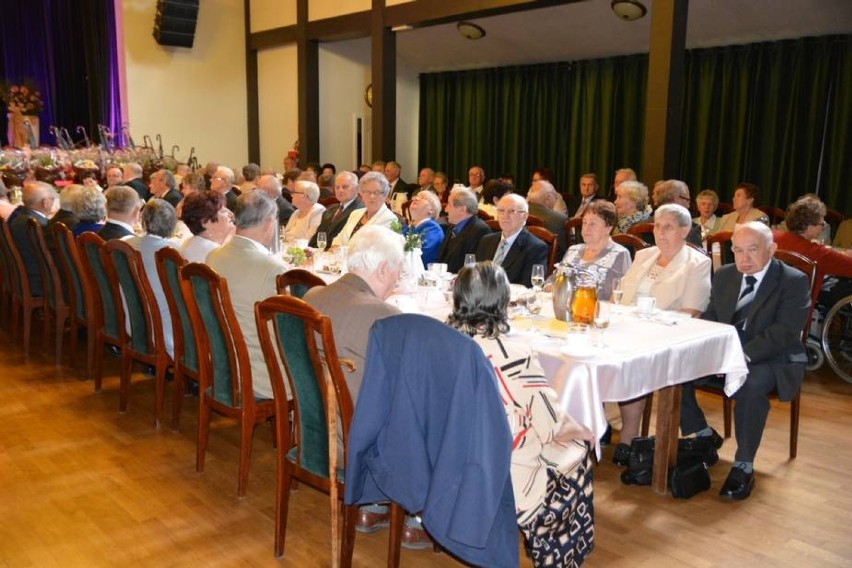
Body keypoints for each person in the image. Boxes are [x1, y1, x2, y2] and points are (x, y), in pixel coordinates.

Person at [446, 262, 594, 565]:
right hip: (501, 462)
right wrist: (584, 433)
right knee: (579, 454)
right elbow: (551, 422)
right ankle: (559, 554)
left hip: (452, 451)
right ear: (502, 301)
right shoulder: (513, 354)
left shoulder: (443, 342)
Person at [681, 222, 810, 500]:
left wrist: (740, 357)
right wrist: (693, 337)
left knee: (750, 385)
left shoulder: (793, 280)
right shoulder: (726, 275)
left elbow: (783, 332)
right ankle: (703, 435)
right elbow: (714, 316)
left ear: (772, 249)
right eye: (738, 250)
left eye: (752, 250)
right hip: (727, 352)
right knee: (676, 369)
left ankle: (743, 465)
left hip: (772, 358)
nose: (744, 259)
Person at [303, 225, 405, 539]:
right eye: (397, 272)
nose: (398, 280)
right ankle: (411, 516)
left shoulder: (311, 296)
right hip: (354, 446)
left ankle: (374, 506)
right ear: (385, 268)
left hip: (311, 432)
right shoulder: (384, 314)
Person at [614, 203, 712, 466]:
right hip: (628, 329)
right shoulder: (644, 256)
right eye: (657, 226)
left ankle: (628, 436)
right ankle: (596, 427)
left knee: (631, 360)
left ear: (684, 229)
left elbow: (691, 313)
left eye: (668, 226)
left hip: (668, 337)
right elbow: (620, 295)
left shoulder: (697, 263)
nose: (660, 232)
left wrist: (647, 326)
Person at [207, 191, 287, 400]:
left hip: (225, 365)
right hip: (262, 376)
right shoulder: (271, 268)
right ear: (270, 223)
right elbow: (289, 327)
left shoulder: (214, 256)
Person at [773, 196, 852, 308]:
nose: (823, 226)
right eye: (821, 223)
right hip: (799, 314)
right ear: (809, 227)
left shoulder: (772, 238)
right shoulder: (819, 253)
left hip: (765, 310)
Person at [126, 198, 178, 357]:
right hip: (165, 330)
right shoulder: (174, 251)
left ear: (143, 221)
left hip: (133, 320)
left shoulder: (125, 243)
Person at [558, 201, 631, 301]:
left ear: (608, 228)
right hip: (562, 308)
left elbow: (612, 296)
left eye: (592, 224)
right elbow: (553, 280)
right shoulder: (573, 249)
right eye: (584, 222)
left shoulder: (619, 254)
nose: (586, 228)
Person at [476, 193, 548, 287]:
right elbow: (475, 275)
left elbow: (528, 287)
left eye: (511, 211)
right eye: (501, 211)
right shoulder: (486, 241)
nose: (505, 216)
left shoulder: (535, 248)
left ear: (524, 216)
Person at [9, 181, 56, 297]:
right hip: (38, 282)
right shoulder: (36, 225)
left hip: (18, 278)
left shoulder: (20, 218)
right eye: (52, 199)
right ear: (45, 203)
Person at [331, 172, 397, 247]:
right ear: (361, 195)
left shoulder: (389, 219)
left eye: (377, 192)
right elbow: (338, 239)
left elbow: (372, 249)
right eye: (368, 192)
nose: (372, 196)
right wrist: (335, 248)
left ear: (385, 196)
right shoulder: (355, 213)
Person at [437, 188, 492, 273]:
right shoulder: (453, 227)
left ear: (462, 209)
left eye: (449, 205)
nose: (446, 209)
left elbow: (473, 268)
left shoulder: (480, 231)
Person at [179, 191, 235, 263]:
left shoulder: (190, 242)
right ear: (206, 222)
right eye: (222, 210)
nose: (230, 213)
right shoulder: (215, 254)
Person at [652, 179, 703, 246]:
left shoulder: (640, 225)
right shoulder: (689, 229)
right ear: (676, 199)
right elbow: (697, 255)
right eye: (687, 200)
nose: (689, 205)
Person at [526, 180, 569, 256]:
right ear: (548, 197)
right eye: (555, 197)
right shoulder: (559, 219)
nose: (556, 200)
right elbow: (566, 250)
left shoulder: (517, 213)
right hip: (545, 263)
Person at [404, 190, 444, 267]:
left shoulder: (433, 229)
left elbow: (423, 257)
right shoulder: (407, 228)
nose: (416, 199)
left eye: (423, 198)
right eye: (416, 197)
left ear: (431, 210)